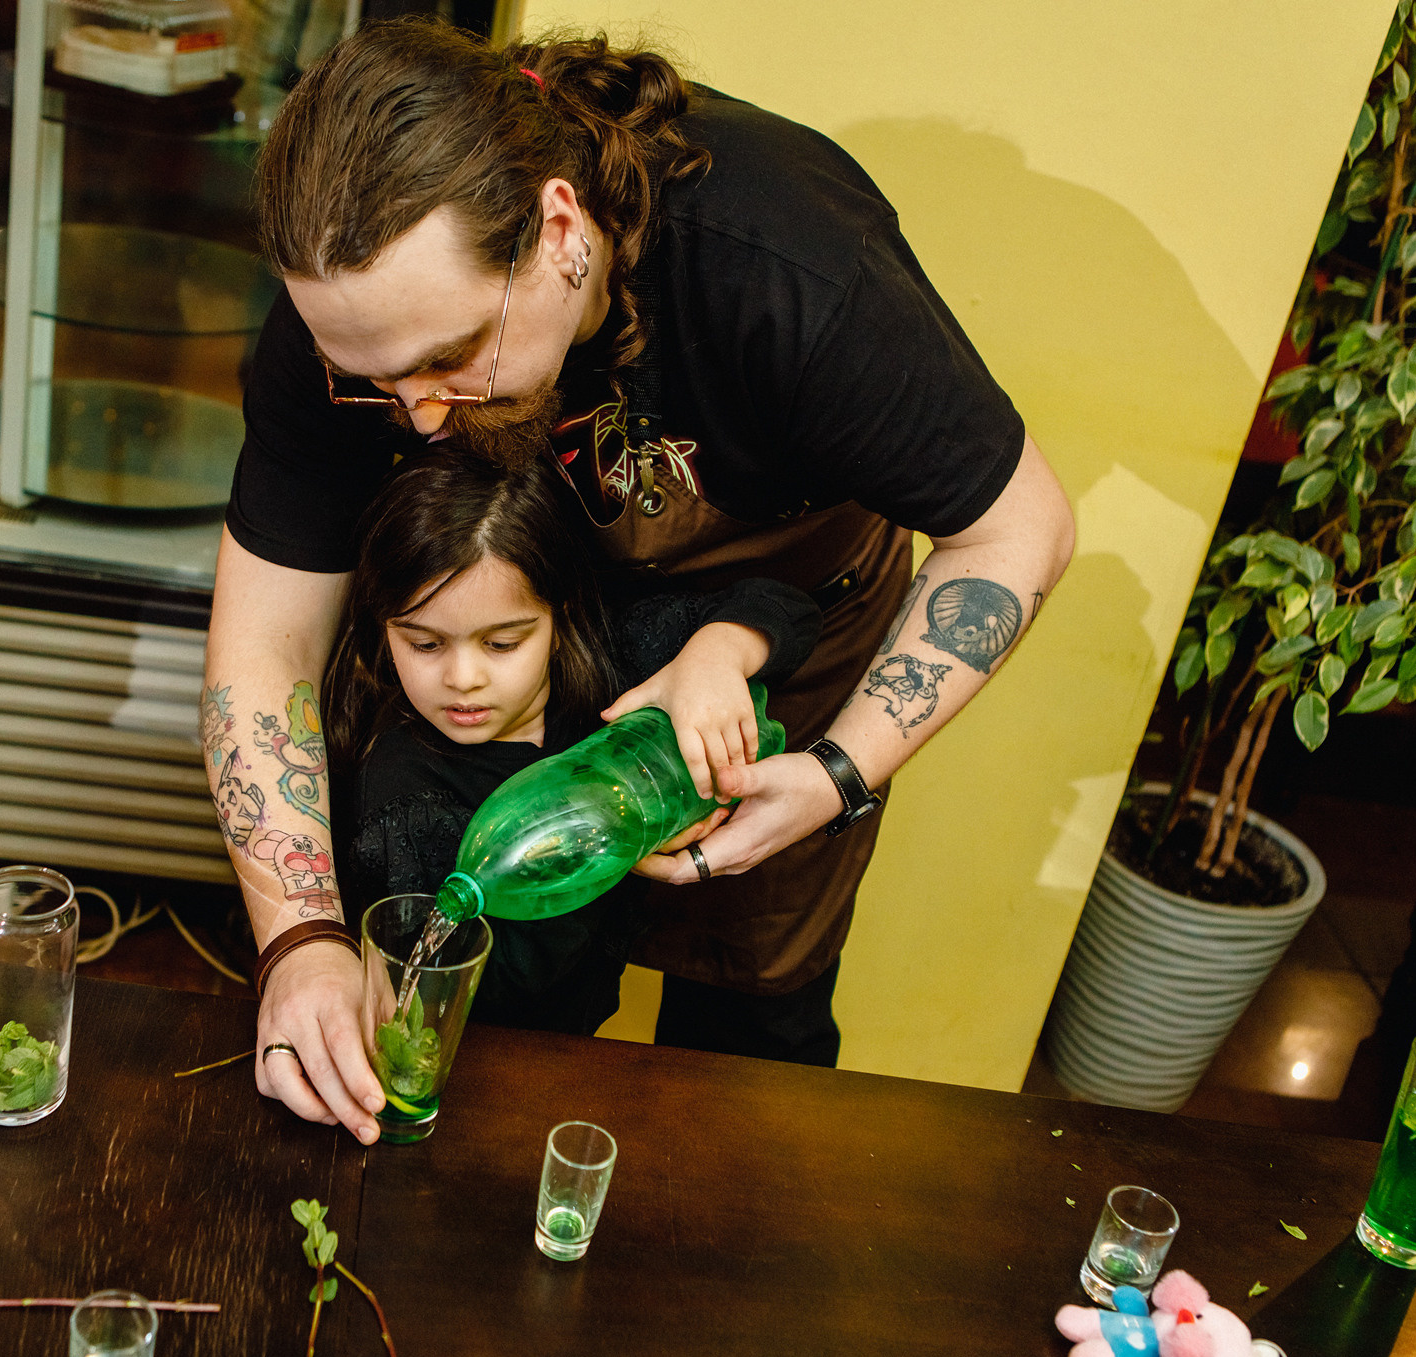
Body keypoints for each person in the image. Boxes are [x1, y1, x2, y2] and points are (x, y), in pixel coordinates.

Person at [207, 20, 1074, 1143]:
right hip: (522, 627)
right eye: (371, 380)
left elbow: (1019, 532)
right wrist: (301, 941)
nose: (417, 415)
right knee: (498, 1004)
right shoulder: (353, 307)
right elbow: (265, 641)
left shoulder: (785, 262)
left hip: (772, 648)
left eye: (449, 357)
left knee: (747, 1041)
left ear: (559, 229)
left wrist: (836, 772)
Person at [321, 446, 820, 1035]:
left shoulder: (614, 660)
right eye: (425, 644)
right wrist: (599, 838)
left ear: (559, 617)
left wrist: (719, 653)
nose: (462, 678)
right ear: (384, 627)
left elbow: (794, 610)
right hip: (509, 1059)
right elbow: (472, 994)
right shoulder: (406, 797)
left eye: (502, 643)